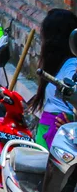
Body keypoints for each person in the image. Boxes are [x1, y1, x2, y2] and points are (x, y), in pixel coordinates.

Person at [31, 8, 77, 147]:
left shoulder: (71, 65)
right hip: (49, 135)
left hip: (60, 137)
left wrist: (72, 125)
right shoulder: (57, 64)